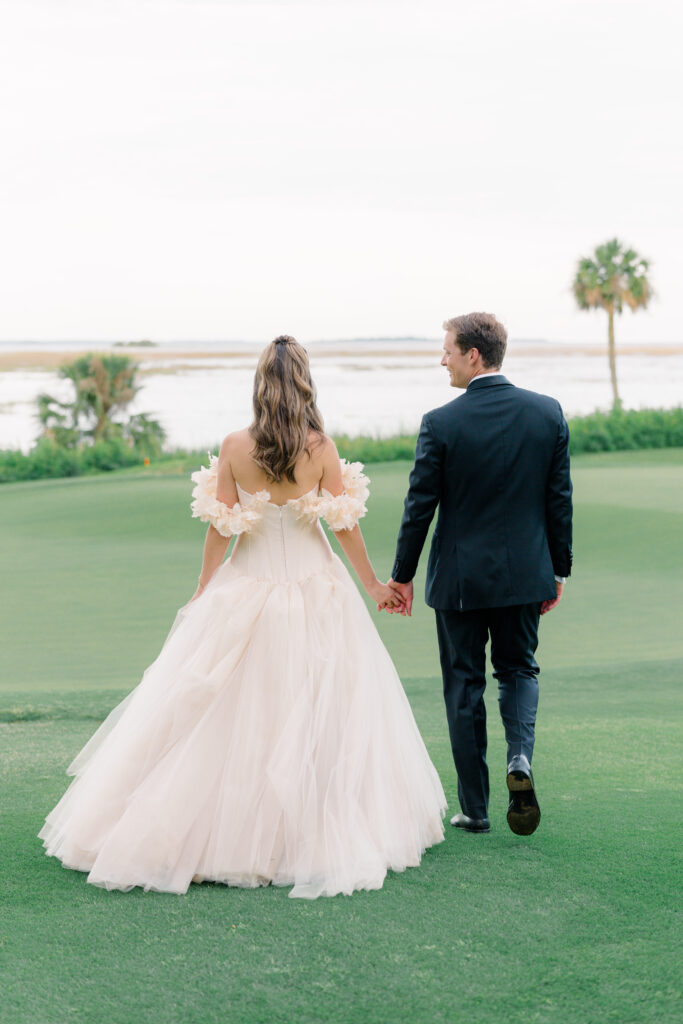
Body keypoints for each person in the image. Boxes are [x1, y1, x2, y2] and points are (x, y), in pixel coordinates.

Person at [39, 335, 446, 898]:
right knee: (318, 709)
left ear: (260, 384)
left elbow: (220, 530)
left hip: (247, 586)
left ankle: (226, 836)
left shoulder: (234, 446)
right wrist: (374, 584)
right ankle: (298, 836)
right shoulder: (320, 447)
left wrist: (205, 591)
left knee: (230, 712)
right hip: (316, 591)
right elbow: (342, 525)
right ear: (304, 382)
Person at [387, 313, 573, 836]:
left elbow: (418, 506)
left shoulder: (440, 422)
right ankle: (520, 757)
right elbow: (558, 499)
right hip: (525, 576)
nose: (441, 358)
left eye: (447, 349)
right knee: (519, 669)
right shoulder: (547, 413)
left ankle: (476, 808)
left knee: (463, 685)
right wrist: (558, 569)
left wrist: (401, 576)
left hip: (460, 583)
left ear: (473, 354)